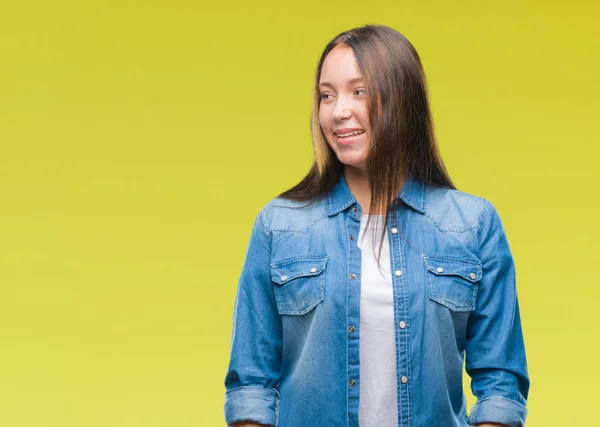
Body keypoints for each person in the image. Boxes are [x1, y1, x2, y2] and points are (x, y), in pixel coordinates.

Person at [223, 24, 529, 427]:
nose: (338, 111)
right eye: (326, 95)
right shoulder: (280, 226)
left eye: (359, 91)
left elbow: (500, 382)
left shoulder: (471, 225)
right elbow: (251, 385)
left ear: (403, 99)